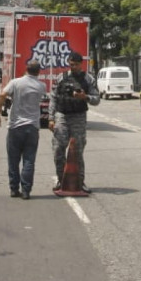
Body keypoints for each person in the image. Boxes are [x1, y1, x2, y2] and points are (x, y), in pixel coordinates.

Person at [0, 60, 46, 200]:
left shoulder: (15, 83)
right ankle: (26, 191)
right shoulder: (42, 86)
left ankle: (14, 189)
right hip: (33, 127)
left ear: (26, 69)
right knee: (29, 160)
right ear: (39, 72)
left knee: (13, 160)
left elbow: (2, 96)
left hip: (15, 127)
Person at [49, 52, 100, 193]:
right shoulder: (61, 78)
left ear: (81, 64)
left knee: (78, 151)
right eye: (71, 64)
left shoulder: (88, 79)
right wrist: (51, 118)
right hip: (62, 115)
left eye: (76, 64)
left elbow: (97, 99)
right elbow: (53, 97)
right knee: (58, 148)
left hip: (78, 117)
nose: (73, 67)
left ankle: (80, 182)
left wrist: (85, 97)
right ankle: (61, 180)